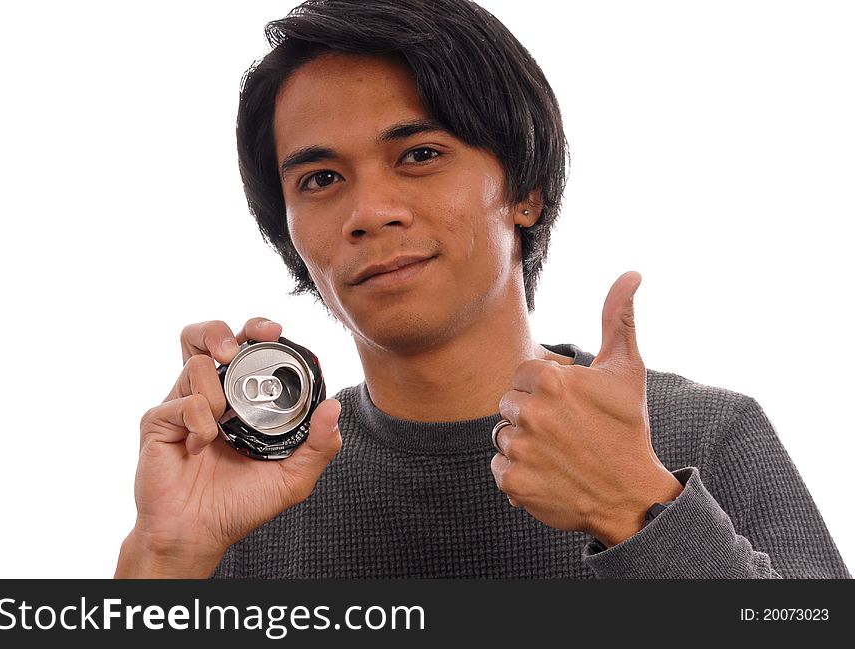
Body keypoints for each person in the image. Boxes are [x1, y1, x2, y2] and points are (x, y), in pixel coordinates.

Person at [115, 0, 850, 579]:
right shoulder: (254, 493)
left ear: (525, 187)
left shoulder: (703, 435)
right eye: (321, 179)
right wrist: (166, 554)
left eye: (421, 154)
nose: (370, 212)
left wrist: (639, 510)